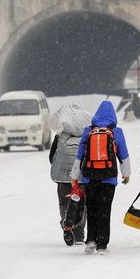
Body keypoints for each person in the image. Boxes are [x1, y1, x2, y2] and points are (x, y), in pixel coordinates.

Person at [71, 101, 131, 255]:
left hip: (88, 177)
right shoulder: (116, 132)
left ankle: (91, 240)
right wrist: (126, 173)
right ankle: (102, 245)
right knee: (105, 210)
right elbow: (123, 155)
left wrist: (75, 177)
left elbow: (79, 156)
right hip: (108, 178)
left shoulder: (88, 131)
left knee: (91, 209)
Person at [49, 104, 91, 246]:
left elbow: (52, 158)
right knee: (81, 203)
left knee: (64, 202)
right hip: (80, 178)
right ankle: (79, 235)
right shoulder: (87, 137)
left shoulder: (60, 137)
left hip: (62, 178)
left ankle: (65, 223)